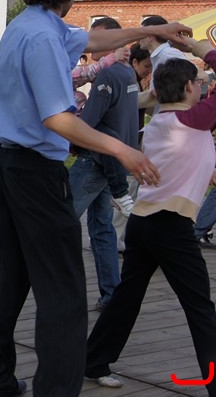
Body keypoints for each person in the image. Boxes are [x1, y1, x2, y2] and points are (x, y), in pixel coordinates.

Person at [0, 0, 189, 397]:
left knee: (12, 278)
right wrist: (122, 149)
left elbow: (95, 38)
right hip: (34, 172)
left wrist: (154, 31)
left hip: (9, 165)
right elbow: (57, 118)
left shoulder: (29, 25)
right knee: (64, 290)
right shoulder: (43, 38)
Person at [86, 41, 216, 395]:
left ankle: (94, 360)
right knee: (200, 309)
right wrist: (197, 47)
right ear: (188, 87)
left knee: (127, 298)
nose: (203, 86)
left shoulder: (162, 120)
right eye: (199, 82)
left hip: (144, 224)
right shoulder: (191, 121)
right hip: (170, 226)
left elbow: (190, 162)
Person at [67, 17, 138, 312]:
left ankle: (60, 290)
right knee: (102, 229)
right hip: (113, 160)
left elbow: (88, 122)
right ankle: (111, 294)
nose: (90, 43)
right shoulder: (127, 72)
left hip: (95, 159)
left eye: (95, 37)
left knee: (61, 219)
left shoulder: (108, 76)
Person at [111, 44, 152, 252]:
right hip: (126, 143)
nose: (148, 70)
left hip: (130, 142)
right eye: (146, 66)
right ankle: (114, 239)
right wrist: (156, 94)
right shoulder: (129, 80)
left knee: (129, 192)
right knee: (125, 193)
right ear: (134, 62)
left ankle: (117, 238)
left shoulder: (135, 80)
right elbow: (132, 103)